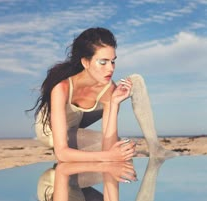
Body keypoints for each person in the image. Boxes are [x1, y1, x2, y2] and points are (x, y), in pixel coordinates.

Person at [29, 27, 177, 161]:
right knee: (119, 149)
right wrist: (111, 155)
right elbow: (62, 153)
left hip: (78, 119)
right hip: (51, 132)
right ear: (85, 62)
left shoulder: (107, 87)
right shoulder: (61, 89)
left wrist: (114, 103)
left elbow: (109, 145)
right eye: (103, 62)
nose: (110, 69)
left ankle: (155, 147)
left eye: (113, 62)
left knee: (135, 82)